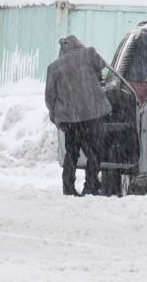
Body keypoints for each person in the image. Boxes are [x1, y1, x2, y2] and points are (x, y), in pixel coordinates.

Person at [44, 35, 109, 196]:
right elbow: (101, 66)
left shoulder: (54, 67)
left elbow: (50, 96)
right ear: (78, 45)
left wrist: (55, 117)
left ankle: (68, 187)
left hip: (70, 119)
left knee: (71, 153)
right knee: (94, 152)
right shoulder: (88, 54)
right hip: (93, 115)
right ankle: (91, 185)